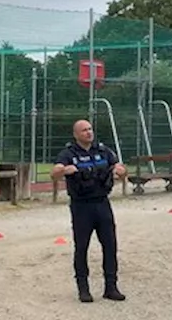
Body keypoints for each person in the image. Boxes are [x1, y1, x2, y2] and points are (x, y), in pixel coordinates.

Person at [51, 118, 128, 303]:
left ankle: (111, 287)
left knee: (110, 245)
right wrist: (63, 171)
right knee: (82, 247)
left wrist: (120, 170)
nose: (89, 132)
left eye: (90, 129)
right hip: (81, 206)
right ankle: (83, 289)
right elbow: (54, 173)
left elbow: (123, 170)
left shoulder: (103, 151)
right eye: (84, 130)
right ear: (76, 134)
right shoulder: (68, 153)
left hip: (102, 203)